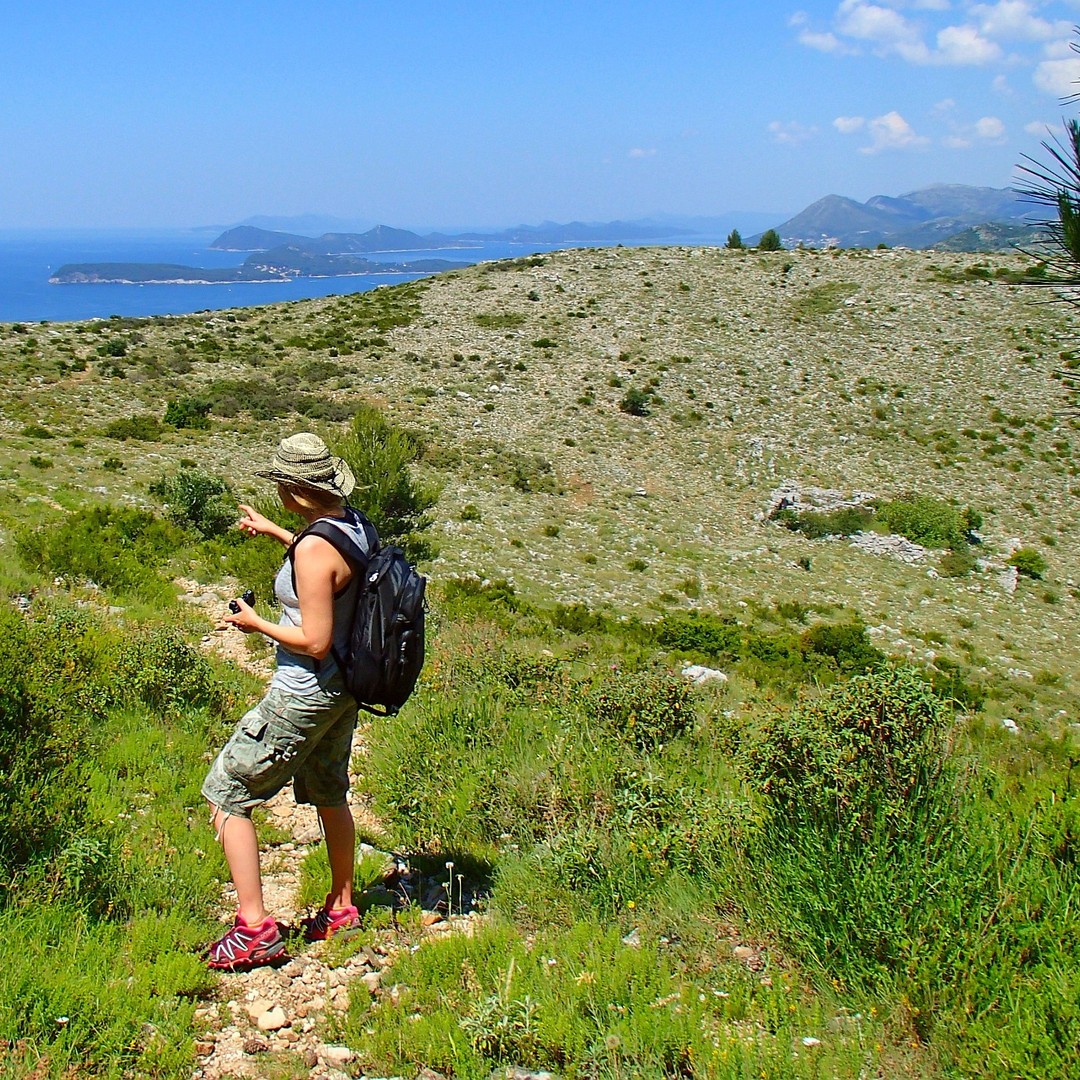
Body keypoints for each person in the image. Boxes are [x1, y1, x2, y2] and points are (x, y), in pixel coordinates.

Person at [201, 433, 374, 970]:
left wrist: (256, 624)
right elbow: (325, 562)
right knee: (330, 794)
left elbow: (315, 639)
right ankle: (341, 910)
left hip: (304, 693)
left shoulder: (314, 549)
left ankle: (254, 929)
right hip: (343, 690)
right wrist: (276, 532)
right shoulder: (353, 524)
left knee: (227, 794)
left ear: (295, 491)